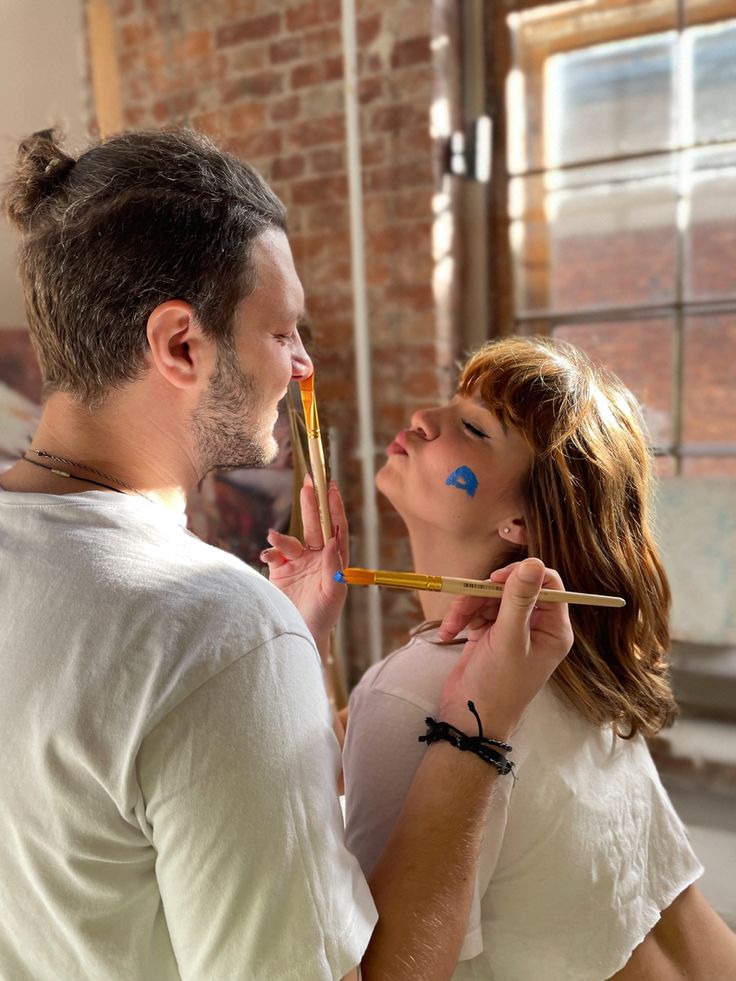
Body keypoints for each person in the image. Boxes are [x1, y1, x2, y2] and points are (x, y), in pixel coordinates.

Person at [0, 128, 573, 980]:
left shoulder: (212, 633)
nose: (303, 365)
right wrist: (474, 730)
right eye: (283, 331)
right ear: (181, 345)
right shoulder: (210, 628)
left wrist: (287, 653)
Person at [270, 336, 736, 981]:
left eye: (472, 428)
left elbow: (385, 972)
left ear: (522, 518)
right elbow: (339, 753)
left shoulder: (424, 689)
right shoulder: (566, 654)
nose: (421, 420)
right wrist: (302, 635)